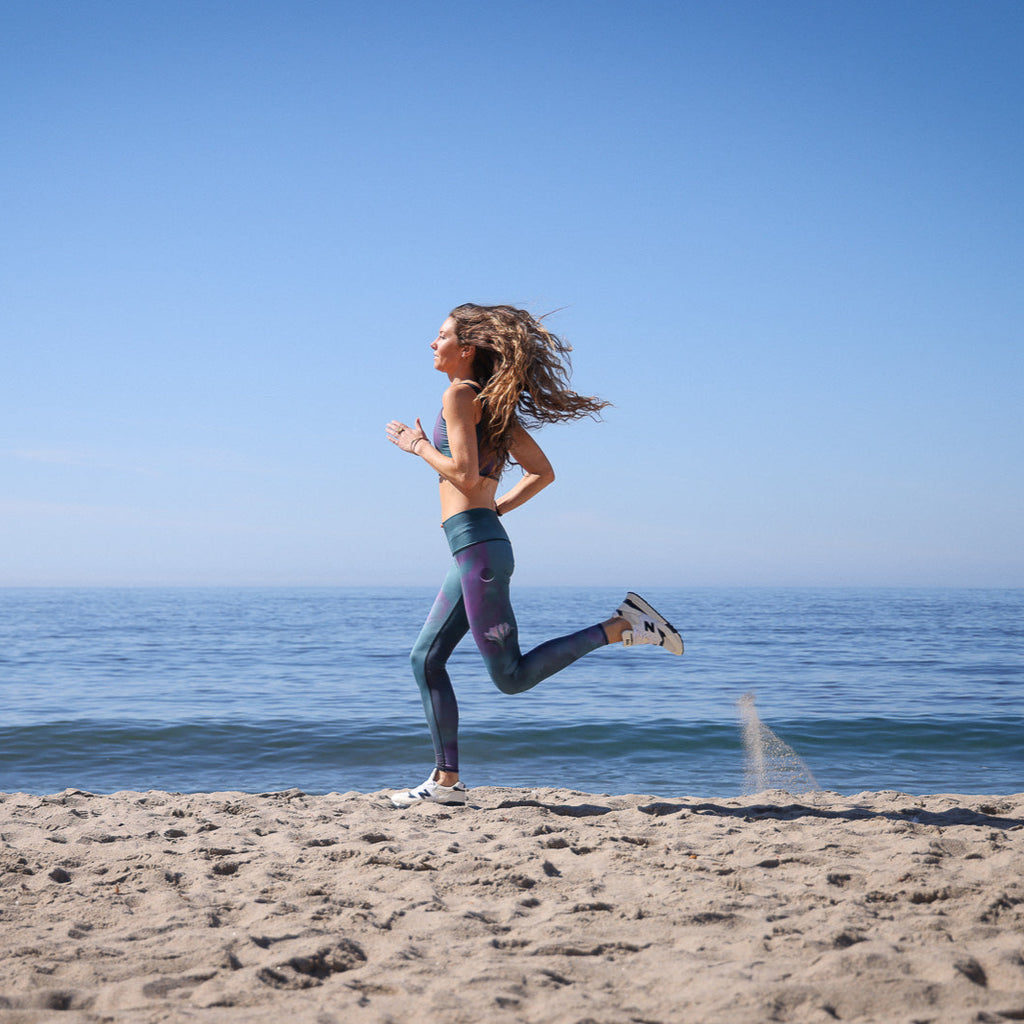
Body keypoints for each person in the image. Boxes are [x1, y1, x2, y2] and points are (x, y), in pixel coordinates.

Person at [385, 303, 682, 807]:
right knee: (425, 658)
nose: (432, 344)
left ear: (467, 348)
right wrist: (492, 510)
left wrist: (417, 446)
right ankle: (446, 783)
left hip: (478, 550)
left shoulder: (458, 395)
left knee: (511, 678)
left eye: (440, 336)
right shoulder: (492, 406)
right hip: (476, 547)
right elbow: (542, 472)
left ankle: (621, 625)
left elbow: (462, 473)